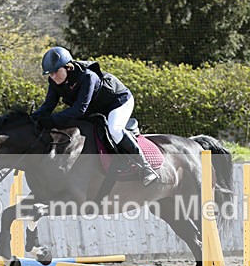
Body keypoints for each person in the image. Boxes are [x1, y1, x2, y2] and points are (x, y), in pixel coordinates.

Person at [32, 46, 159, 186]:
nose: (53, 76)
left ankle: (146, 167)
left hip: (118, 102)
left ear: (68, 67)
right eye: (50, 74)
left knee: (114, 129)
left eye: (56, 71)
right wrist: (31, 119)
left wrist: (50, 120)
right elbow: (48, 106)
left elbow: (79, 110)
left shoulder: (87, 76)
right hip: (96, 109)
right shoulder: (54, 82)